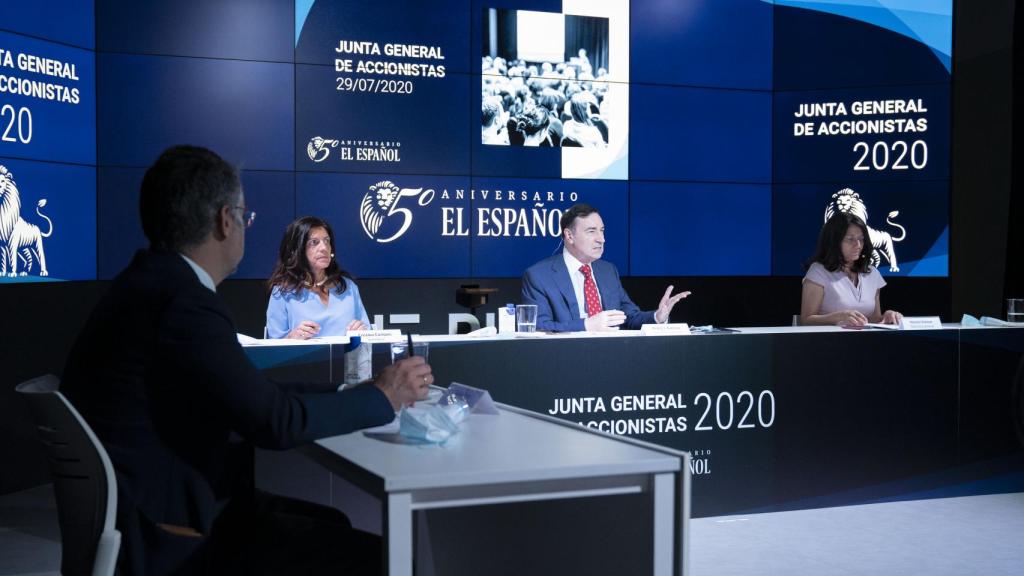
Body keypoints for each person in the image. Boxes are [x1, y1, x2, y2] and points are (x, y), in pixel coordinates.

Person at [61, 145, 432, 575]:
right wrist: (384, 396)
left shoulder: (146, 285)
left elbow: (253, 393)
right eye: (245, 217)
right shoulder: (184, 302)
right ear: (225, 219)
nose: (245, 227)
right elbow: (275, 421)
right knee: (380, 559)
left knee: (330, 523)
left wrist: (354, 390)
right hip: (174, 537)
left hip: (152, 510)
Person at [521, 203, 690, 332]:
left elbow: (629, 317)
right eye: (592, 231)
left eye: (602, 231)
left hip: (613, 359)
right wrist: (587, 325)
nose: (601, 239)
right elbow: (539, 328)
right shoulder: (539, 276)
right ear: (569, 235)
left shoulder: (608, 271)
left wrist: (657, 317)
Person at [266, 216, 369, 339]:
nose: (324, 248)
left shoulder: (348, 287)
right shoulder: (283, 292)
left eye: (327, 241)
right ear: (298, 249)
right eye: (314, 242)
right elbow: (273, 345)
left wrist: (362, 331)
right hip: (304, 358)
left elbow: (367, 332)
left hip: (346, 358)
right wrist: (291, 338)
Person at [800, 211, 903, 326]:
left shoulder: (872, 273)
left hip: (865, 342)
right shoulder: (818, 271)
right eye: (850, 239)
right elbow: (806, 320)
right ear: (834, 241)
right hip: (828, 341)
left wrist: (887, 316)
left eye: (861, 239)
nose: (858, 245)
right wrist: (837, 317)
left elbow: (874, 320)